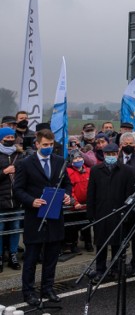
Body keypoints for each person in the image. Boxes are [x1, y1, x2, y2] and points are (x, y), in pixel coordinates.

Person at [13, 129, 72, 306]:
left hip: (55, 217)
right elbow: (18, 189)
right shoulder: (25, 163)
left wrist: (67, 195)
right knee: (31, 258)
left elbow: (67, 183)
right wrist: (32, 201)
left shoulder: (60, 161)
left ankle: (48, 288)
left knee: (52, 257)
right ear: (37, 144)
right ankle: (28, 292)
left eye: (51, 145)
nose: (48, 147)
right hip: (35, 218)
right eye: (45, 145)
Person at [86, 143, 135, 283]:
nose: (111, 157)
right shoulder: (96, 170)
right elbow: (91, 193)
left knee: (118, 244)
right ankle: (100, 270)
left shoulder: (126, 170)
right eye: (108, 154)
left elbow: (130, 194)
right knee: (101, 243)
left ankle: (116, 270)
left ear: (117, 154)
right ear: (104, 155)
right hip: (101, 213)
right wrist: (90, 213)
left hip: (119, 212)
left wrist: (127, 213)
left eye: (113, 154)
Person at [0, 127, 25, 271]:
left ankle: (13, 255)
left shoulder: (20, 155)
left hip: (16, 200)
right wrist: (4, 172)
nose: (10, 139)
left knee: (15, 229)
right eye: (6, 137)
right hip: (1, 200)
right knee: (1, 230)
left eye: (11, 137)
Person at [63, 150, 92, 254]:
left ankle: (88, 243)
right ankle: (73, 244)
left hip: (86, 205)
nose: (78, 160)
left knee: (87, 225)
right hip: (74, 206)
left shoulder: (88, 171)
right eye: (75, 158)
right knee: (73, 226)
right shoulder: (69, 172)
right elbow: (71, 190)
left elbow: (91, 187)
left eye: (79, 157)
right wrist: (75, 203)